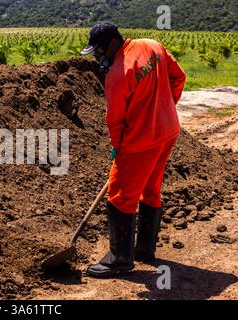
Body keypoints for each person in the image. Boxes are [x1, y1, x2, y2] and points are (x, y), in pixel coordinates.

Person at [81, 22, 187, 278]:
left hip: (139, 143)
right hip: (168, 132)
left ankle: (119, 260)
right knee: (151, 188)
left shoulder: (117, 76)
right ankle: (144, 250)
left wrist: (118, 149)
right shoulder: (152, 45)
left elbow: (115, 122)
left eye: (100, 51)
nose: (98, 57)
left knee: (119, 195)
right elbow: (179, 77)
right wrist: (164, 107)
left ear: (114, 44)